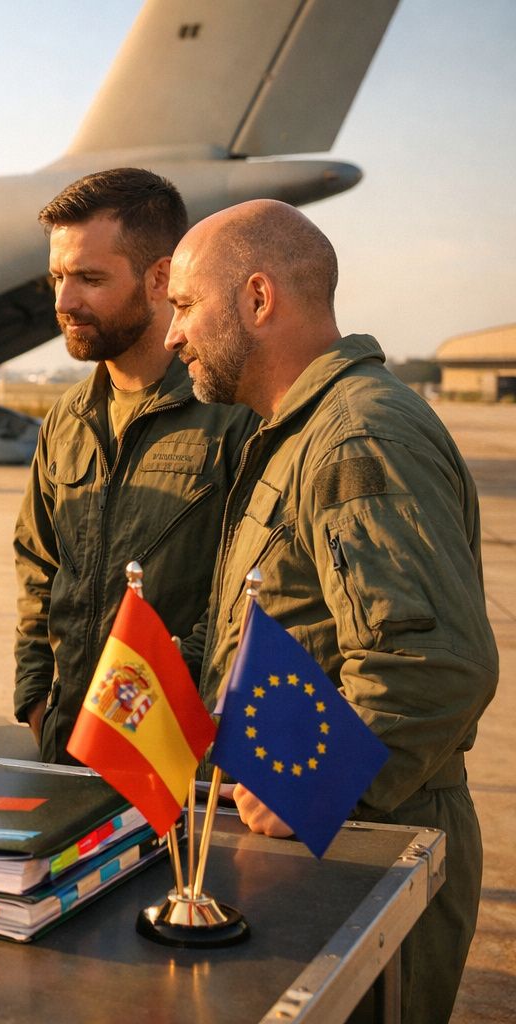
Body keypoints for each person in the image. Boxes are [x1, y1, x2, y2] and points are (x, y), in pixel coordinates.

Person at [166, 199, 498, 1024]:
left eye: (182, 305)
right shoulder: (295, 432)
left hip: (367, 846)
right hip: (318, 840)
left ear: (256, 298)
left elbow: (433, 663)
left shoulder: (358, 437)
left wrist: (318, 781)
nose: (171, 334)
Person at [13, 168, 257, 763]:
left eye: (90, 278)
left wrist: (139, 720)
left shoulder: (231, 414)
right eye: (57, 278)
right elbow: (37, 569)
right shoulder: (68, 420)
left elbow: (255, 596)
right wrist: (38, 701)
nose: (64, 302)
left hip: (181, 758)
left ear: (161, 278)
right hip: (71, 748)